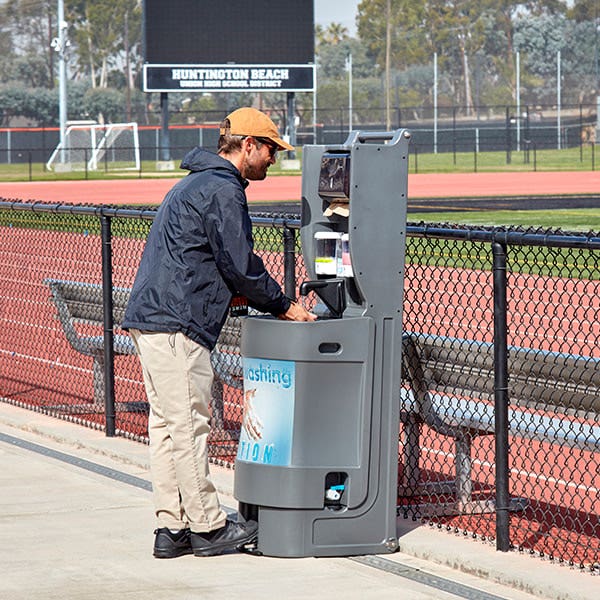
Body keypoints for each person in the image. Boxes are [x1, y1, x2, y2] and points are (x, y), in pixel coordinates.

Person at [123, 107, 316, 559]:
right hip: (176, 324)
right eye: (270, 149)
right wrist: (284, 305)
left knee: (169, 430)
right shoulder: (222, 188)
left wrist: (235, 292)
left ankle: (171, 530)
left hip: (155, 319)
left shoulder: (194, 182)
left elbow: (205, 258)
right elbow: (240, 264)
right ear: (248, 145)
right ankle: (208, 528)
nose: (274, 159)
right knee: (189, 427)